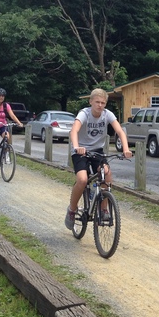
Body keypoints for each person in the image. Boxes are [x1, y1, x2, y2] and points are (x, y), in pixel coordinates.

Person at [65, 88, 132, 229]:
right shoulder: (84, 114)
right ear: (91, 102)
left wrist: (126, 149)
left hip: (97, 151)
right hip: (81, 151)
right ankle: (72, 209)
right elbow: (74, 130)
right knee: (82, 179)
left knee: (106, 173)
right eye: (97, 102)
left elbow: (120, 131)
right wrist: (77, 147)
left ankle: (104, 209)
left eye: (103, 103)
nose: (100, 105)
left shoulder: (107, 115)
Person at [0, 88, 23, 171]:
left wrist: (19, 123)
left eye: (2, 96)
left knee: (7, 137)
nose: (1, 97)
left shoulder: (6, 105)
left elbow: (12, 115)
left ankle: (6, 153)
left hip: (3, 125)